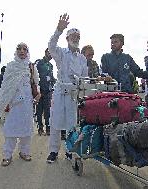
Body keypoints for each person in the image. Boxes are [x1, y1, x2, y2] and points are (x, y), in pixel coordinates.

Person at [46, 13, 88, 163]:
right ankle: (53, 151)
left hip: (73, 94)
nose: (76, 38)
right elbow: (50, 45)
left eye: (78, 36)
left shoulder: (83, 58)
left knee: (71, 123)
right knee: (55, 121)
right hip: (59, 91)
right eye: (73, 35)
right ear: (67, 38)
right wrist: (59, 29)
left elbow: (84, 78)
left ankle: (70, 150)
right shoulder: (61, 53)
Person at [0, 42, 41, 166]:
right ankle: (7, 155)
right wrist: (5, 101)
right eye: (19, 49)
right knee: (11, 128)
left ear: (27, 52)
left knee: (26, 128)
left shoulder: (31, 67)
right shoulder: (10, 66)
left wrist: (37, 94)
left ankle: (24, 152)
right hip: (13, 102)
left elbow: (35, 83)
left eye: (25, 49)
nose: (22, 51)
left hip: (27, 102)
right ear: (16, 51)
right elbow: (5, 86)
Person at [35, 48, 56, 136]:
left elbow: (51, 77)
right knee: (39, 110)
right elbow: (34, 75)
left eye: (52, 54)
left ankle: (48, 128)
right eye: (49, 53)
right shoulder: (39, 62)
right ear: (45, 52)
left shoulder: (51, 65)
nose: (51, 55)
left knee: (48, 111)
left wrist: (55, 81)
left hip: (48, 91)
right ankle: (40, 128)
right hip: (40, 90)